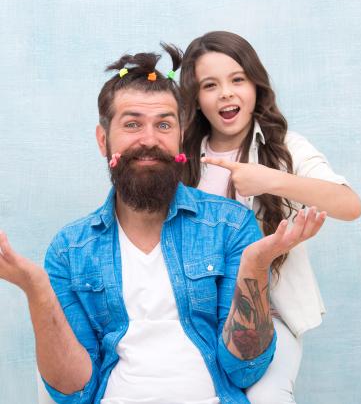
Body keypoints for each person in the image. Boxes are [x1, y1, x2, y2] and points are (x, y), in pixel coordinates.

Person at [0, 45, 326, 404]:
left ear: (181, 136)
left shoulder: (230, 226)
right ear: (103, 140)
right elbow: (74, 391)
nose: (150, 140)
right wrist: (36, 289)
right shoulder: (69, 250)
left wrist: (255, 266)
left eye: (164, 125)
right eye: (132, 124)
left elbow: (244, 369)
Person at [180, 31, 361, 404]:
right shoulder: (184, 158)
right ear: (196, 99)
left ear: (256, 86)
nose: (226, 93)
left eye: (237, 80)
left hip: (270, 314)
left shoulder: (285, 149)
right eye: (210, 85)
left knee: (266, 395)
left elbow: (349, 204)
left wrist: (272, 179)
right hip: (197, 314)